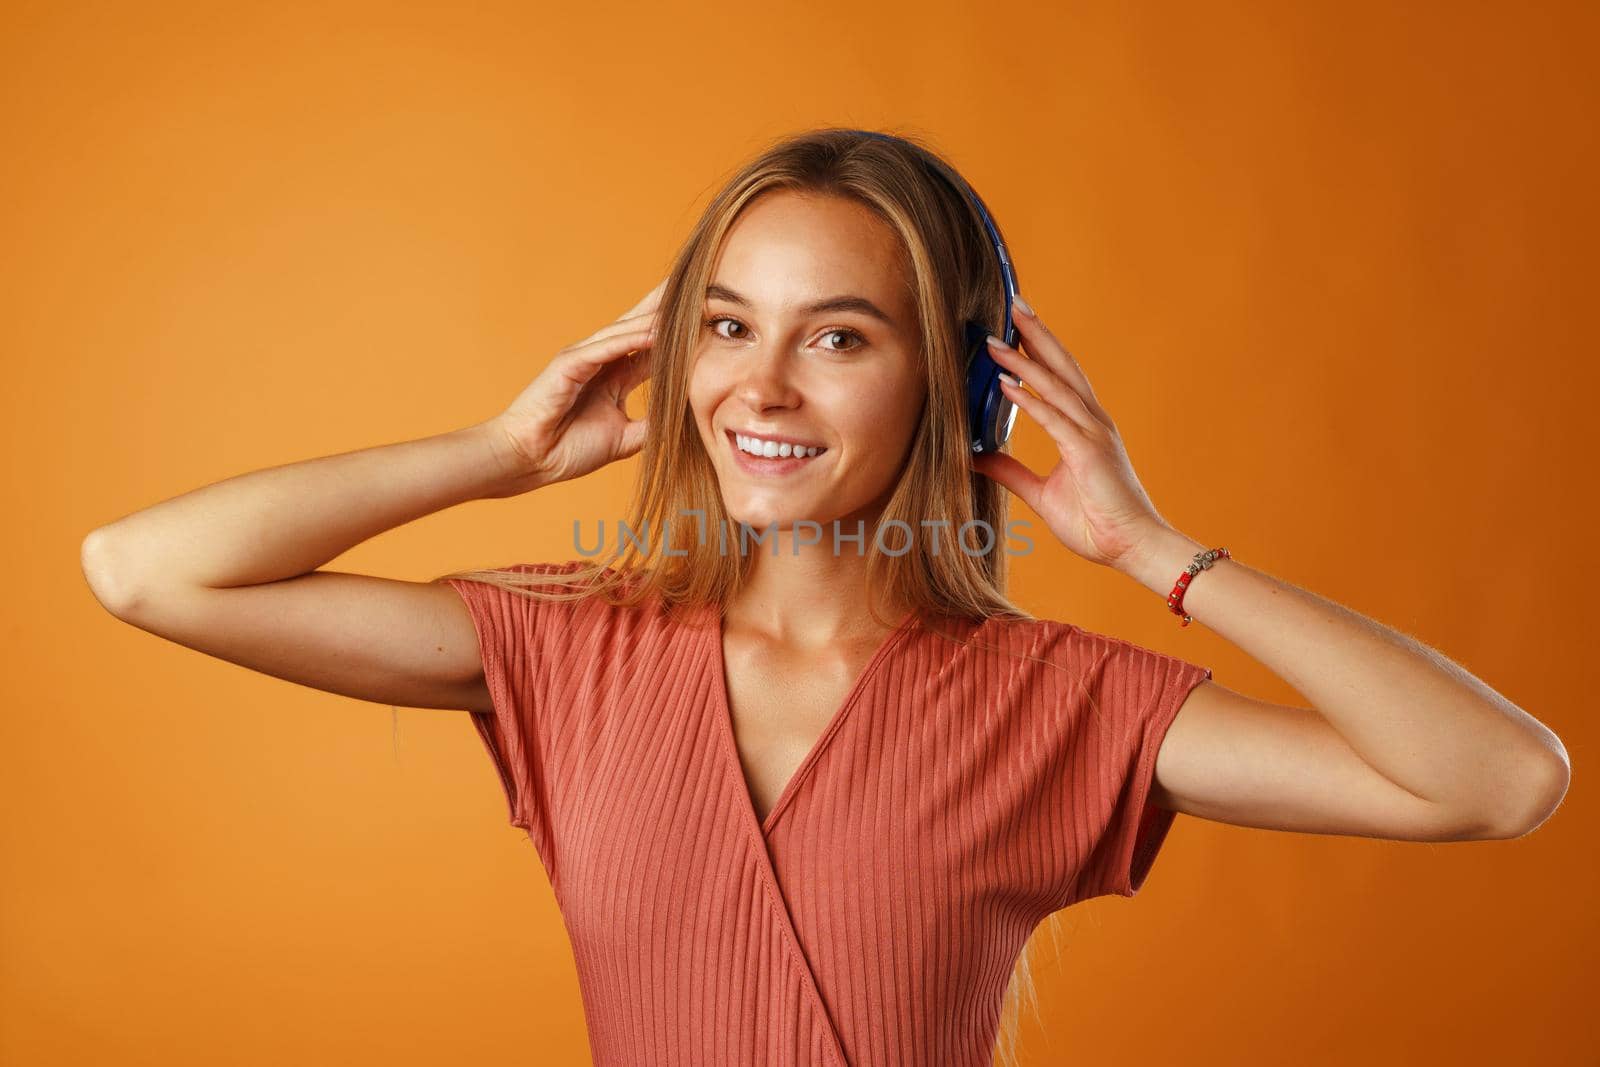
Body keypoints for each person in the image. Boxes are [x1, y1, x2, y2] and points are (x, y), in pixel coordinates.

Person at [80, 127, 1570, 1067]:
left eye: (841, 338)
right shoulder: (571, 651)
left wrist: (1154, 556)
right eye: (728, 326)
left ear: (954, 386)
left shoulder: (1055, 702)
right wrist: (500, 450)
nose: (760, 387)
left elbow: (1500, 782)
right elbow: (146, 571)